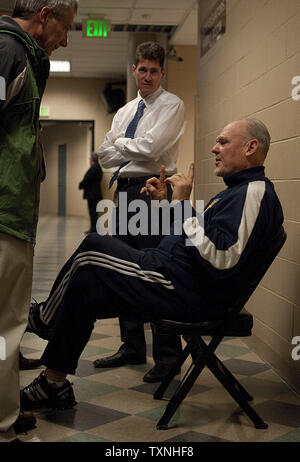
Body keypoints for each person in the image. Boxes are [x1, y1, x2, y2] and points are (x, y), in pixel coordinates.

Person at [20, 118, 284, 413]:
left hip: (185, 291)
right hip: (173, 278)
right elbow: (195, 243)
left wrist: (183, 206)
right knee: (86, 285)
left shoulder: (255, 192)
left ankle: (43, 319)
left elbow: (222, 261)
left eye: (223, 142)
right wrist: (167, 205)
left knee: (92, 249)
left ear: (251, 147)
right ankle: (53, 385)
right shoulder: (236, 191)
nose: (214, 148)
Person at [0, 0, 77, 442]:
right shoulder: (8, 51)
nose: (65, 39)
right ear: (45, 14)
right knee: (6, 324)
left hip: (14, 212)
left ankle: (5, 406)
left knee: (6, 324)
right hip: (4, 213)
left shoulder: (24, 56)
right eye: (65, 28)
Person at [94, 41, 186, 382]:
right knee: (124, 269)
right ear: (134, 69)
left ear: (162, 72)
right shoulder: (124, 112)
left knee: (155, 269)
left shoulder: (171, 105)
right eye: (142, 69)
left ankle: (168, 355)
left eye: (154, 71)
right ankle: (131, 346)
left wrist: (119, 145)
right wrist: (125, 148)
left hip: (153, 191)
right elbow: (103, 157)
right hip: (123, 194)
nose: (147, 76)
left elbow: (151, 149)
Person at [79, 152, 103, 234]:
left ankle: (93, 230)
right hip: (95, 194)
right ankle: (94, 229)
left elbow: (87, 179)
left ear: (92, 159)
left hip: (92, 195)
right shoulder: (97, 167)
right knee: (94, 213)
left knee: (93, 213)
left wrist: (81, 185)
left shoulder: (94, 168)